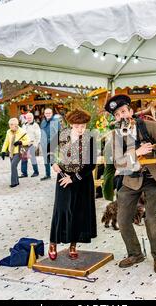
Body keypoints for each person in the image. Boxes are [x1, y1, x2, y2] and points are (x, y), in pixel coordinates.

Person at [105, 94, 156, 273]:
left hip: (151, 178)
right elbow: (118, 163)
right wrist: (137, 152)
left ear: (130, 111)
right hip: (130, 179)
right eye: (117, 115)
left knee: (151, 219)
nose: (122, 116)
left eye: (123, 111)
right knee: (123, 219)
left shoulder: (150, 126)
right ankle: (135, 253)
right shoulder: (116, 135)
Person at [48, 108, 97, 260]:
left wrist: (74, 178)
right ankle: (53, 243)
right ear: (71, 125)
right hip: (63, 178)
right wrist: (53, 163)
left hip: (82, 180)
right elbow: (49, 151)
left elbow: (91, 164)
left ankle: (73, 245)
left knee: (78, 212)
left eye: (83, 126)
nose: (81, 129)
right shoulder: (61, 135)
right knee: (61, 210)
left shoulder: (90, 138)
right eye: (77, 126)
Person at [1, 118, 29, 187]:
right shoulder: (8, 131)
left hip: (19, 151)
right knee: (14, 167)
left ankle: (13, 183)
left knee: (13, 165)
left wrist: (20, 142)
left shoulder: (22, 131)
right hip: (11, 151)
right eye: (9, 125)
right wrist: (3, 151)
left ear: (16, 125)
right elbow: (6, 141)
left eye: (11, 125)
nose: (10, 126)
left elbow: (29, 141)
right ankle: (16, 181)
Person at [40, 108, 60, 181]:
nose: (47, 114)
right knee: (46, 160)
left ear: (52, 113)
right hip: (44, 143)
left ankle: (61, 175)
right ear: (44, 114)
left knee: (56, 160)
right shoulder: (43, 122)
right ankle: (47, 175)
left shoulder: (55, 121)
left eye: (49, 113)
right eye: (46, 113)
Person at [20, 112, 40, 178]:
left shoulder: (36, 125)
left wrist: (36, 144)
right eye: (27, 118)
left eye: (30, 117)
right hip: (24, 144)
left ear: (33, 118)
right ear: (26, 118)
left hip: (32, 144)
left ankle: (36, 172)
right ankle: (24, 173)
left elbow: (38, 136)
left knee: (32, 157)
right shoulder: (24, 125)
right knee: (23, 158)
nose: (29, 119)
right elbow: (22, 134)